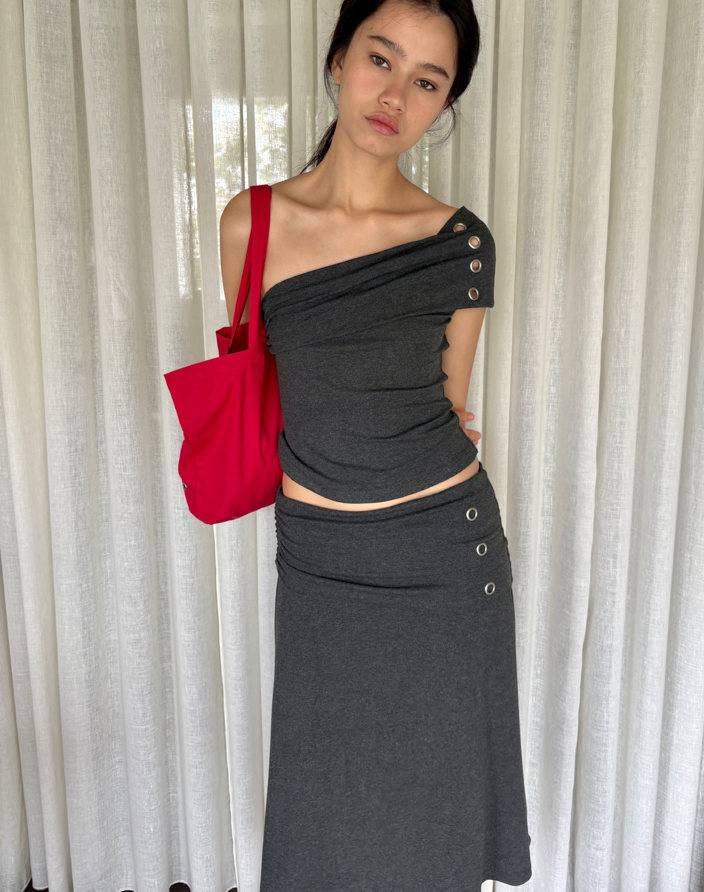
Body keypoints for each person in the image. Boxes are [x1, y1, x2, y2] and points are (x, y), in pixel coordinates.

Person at [220, 0, 532, 887]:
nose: (395, 95)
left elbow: (450, 405)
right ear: (338, 59)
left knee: (435, 834)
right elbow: (258, 387)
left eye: (427, 81)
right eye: (381, 59)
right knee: (322, 829)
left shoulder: (461, 243)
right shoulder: (250, 224)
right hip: (319, 561)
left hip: (444, 560)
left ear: (445, 102)